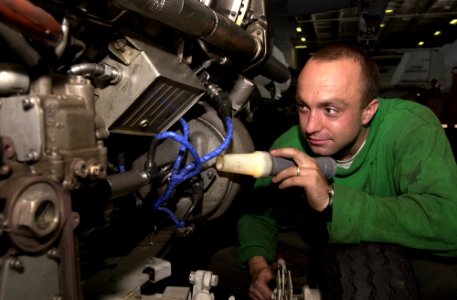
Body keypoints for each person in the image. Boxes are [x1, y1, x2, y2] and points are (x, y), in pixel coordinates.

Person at [208, 43, 457, 299]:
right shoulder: (291, 146)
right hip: (320, 247)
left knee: (447, 283)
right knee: (222, 265)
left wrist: (332, 201)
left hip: (402, 248)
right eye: (303, 107)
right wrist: (259, 266)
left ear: (368, 111)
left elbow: (449, 224)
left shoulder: (410, 128)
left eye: (330, 110)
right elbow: (258, 215)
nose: (311, 127)